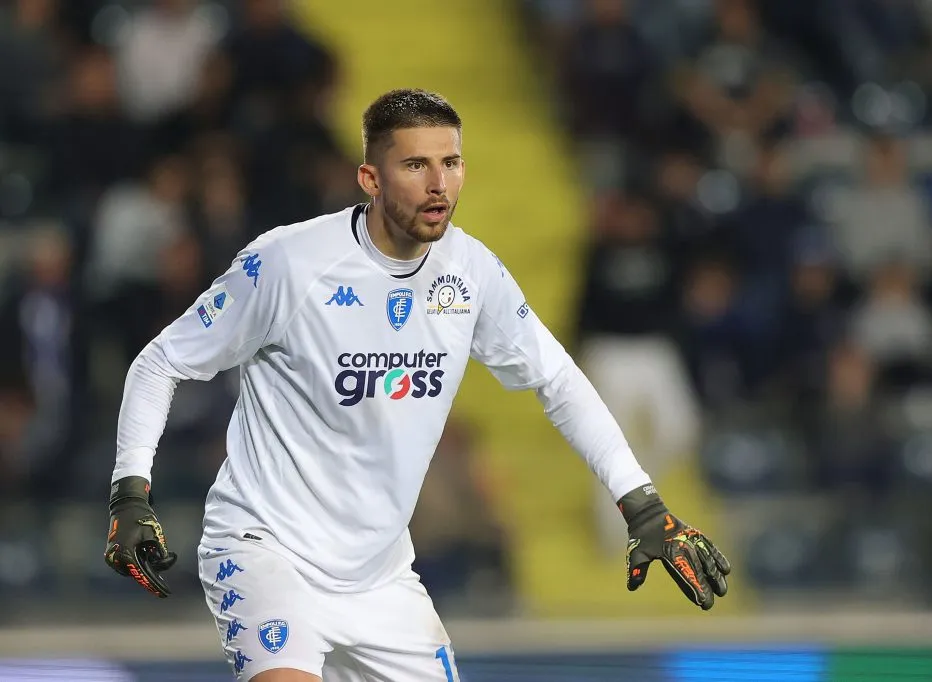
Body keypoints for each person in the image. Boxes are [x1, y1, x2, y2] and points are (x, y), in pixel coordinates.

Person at [102, 89, 731, 682]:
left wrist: (641, 503)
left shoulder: (473, 273)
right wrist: (131, 492)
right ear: (370, 179)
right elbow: (161, 362)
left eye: (452, 162)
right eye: (416, 165)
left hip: (381, 576)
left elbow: (559, 381)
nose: (439, 184)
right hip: (267, 549)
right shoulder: (289, 264)